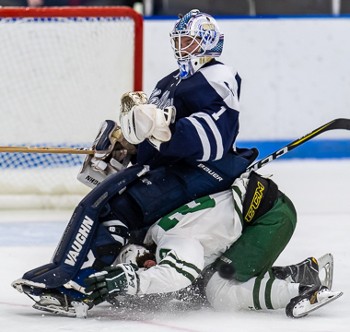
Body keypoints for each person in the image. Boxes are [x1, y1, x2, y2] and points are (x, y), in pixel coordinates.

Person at [11, 8, 257, 304]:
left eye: (189, 41)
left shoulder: (218, 74)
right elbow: (150, 141)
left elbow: (216, 136)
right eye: (178, 40)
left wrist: (162, 126)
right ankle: (70, 272)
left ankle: (79, 285)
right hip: (170, 170)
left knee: (120, 207)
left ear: (208, 42)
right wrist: (127, 147)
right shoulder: (169, 82)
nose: (181, 47)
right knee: (104, 202)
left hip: (201, 171)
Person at [13, 171, 341, 318]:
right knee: (221, 274)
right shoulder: (156, 226)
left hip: (268, 216)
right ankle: (302, 271)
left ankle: (303, 288)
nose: (149, 266)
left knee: (220, 292)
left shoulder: (171, 240)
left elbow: (178, 273)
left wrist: (129, 280)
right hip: (258, 203)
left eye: (142, 263)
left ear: (145, 251)